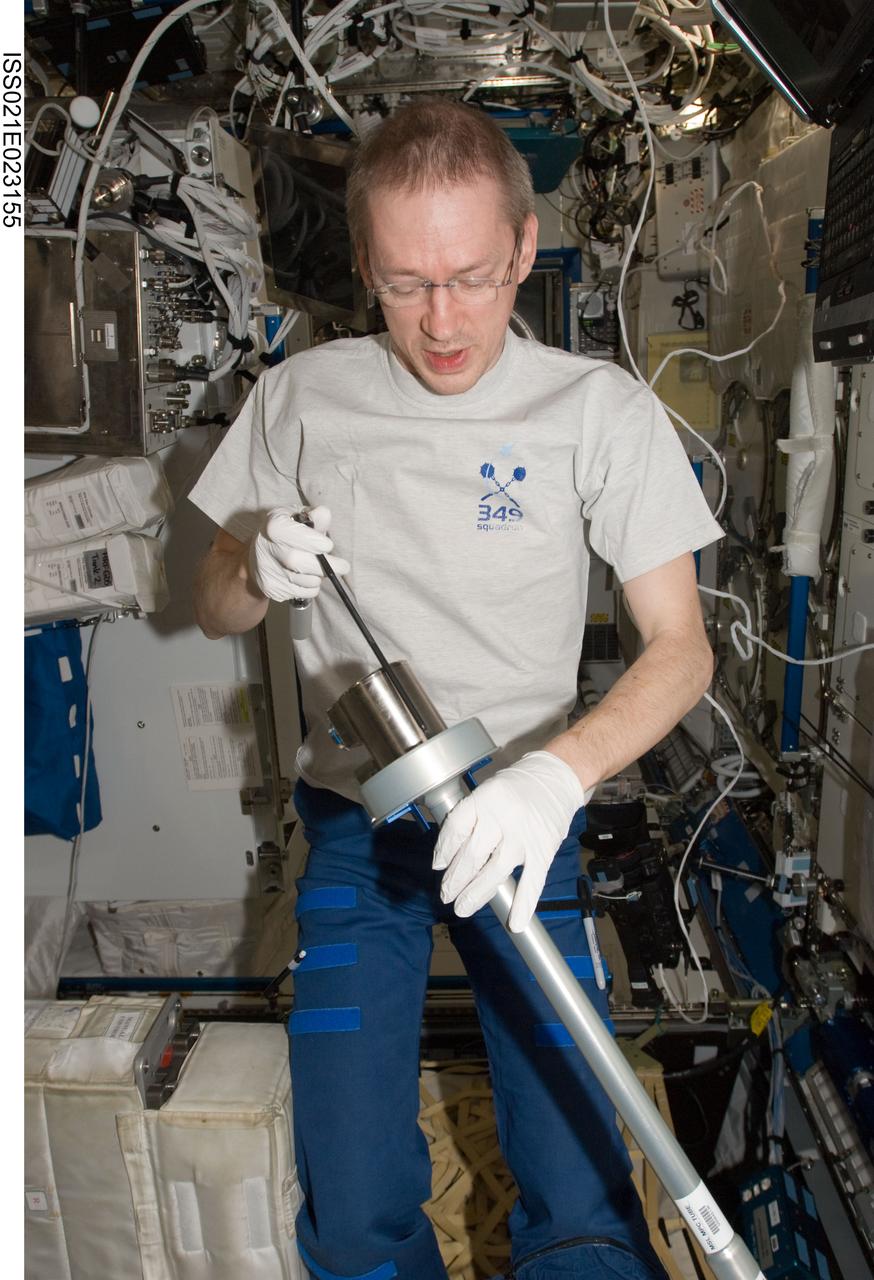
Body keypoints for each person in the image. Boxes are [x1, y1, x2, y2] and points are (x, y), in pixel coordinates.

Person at [190, 98, 722, 1280]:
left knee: (580, 1178)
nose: (441, 322)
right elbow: (211, 602)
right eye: (403, 284)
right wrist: (251, 560)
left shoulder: (598, 413)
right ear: (364, 266)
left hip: (526, 824)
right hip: (356, 829)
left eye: (474, 278)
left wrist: (553, 778)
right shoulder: (298, 396)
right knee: (356, 1200)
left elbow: (681, 648)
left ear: (526, 248)